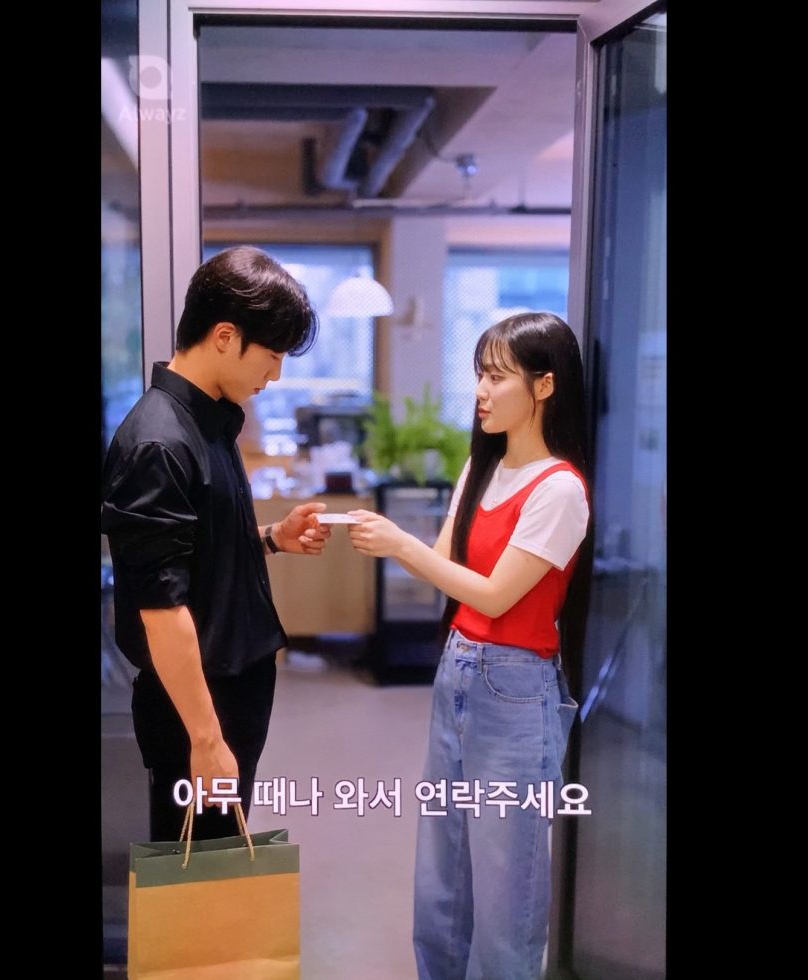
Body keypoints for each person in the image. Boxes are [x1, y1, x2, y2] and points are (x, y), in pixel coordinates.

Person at [348, 312, 594, 980]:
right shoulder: (480, 467)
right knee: (441, 883)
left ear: (544, 385)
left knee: (507, 891)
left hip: (515, 689)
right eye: (478, 375)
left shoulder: (560, 488)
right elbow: (445, 563)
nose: (480, 391)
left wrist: (399, 544)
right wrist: (403, 546)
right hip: (458, 669)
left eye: (496, 376)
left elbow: (491, 596)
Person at [100, 245, 332, 842]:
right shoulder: (159, 442)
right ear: (226, 336)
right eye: (272, 355)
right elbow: (161, 608)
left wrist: (273, 538)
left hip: (229, 689)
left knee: (219, 865)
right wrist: (205, 739)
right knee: (200, 875)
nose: (275, 375)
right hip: (197, 704)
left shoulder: (210, 418)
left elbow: (196, 550)